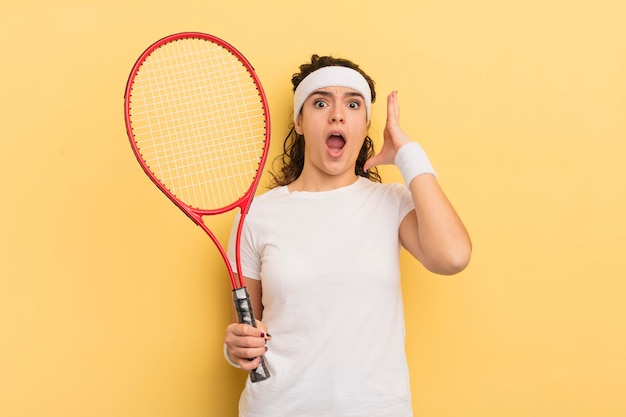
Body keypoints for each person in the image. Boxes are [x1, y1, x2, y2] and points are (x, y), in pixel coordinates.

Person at [224, 54, 471, 417]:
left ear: (365, 124)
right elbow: (250, 333)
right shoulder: (257, 216)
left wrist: (407, 154)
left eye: (353, 104)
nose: (337, 114)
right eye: (321, 102)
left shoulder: (391, 203)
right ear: (300, 121)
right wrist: (236, 351)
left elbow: (452, 256)